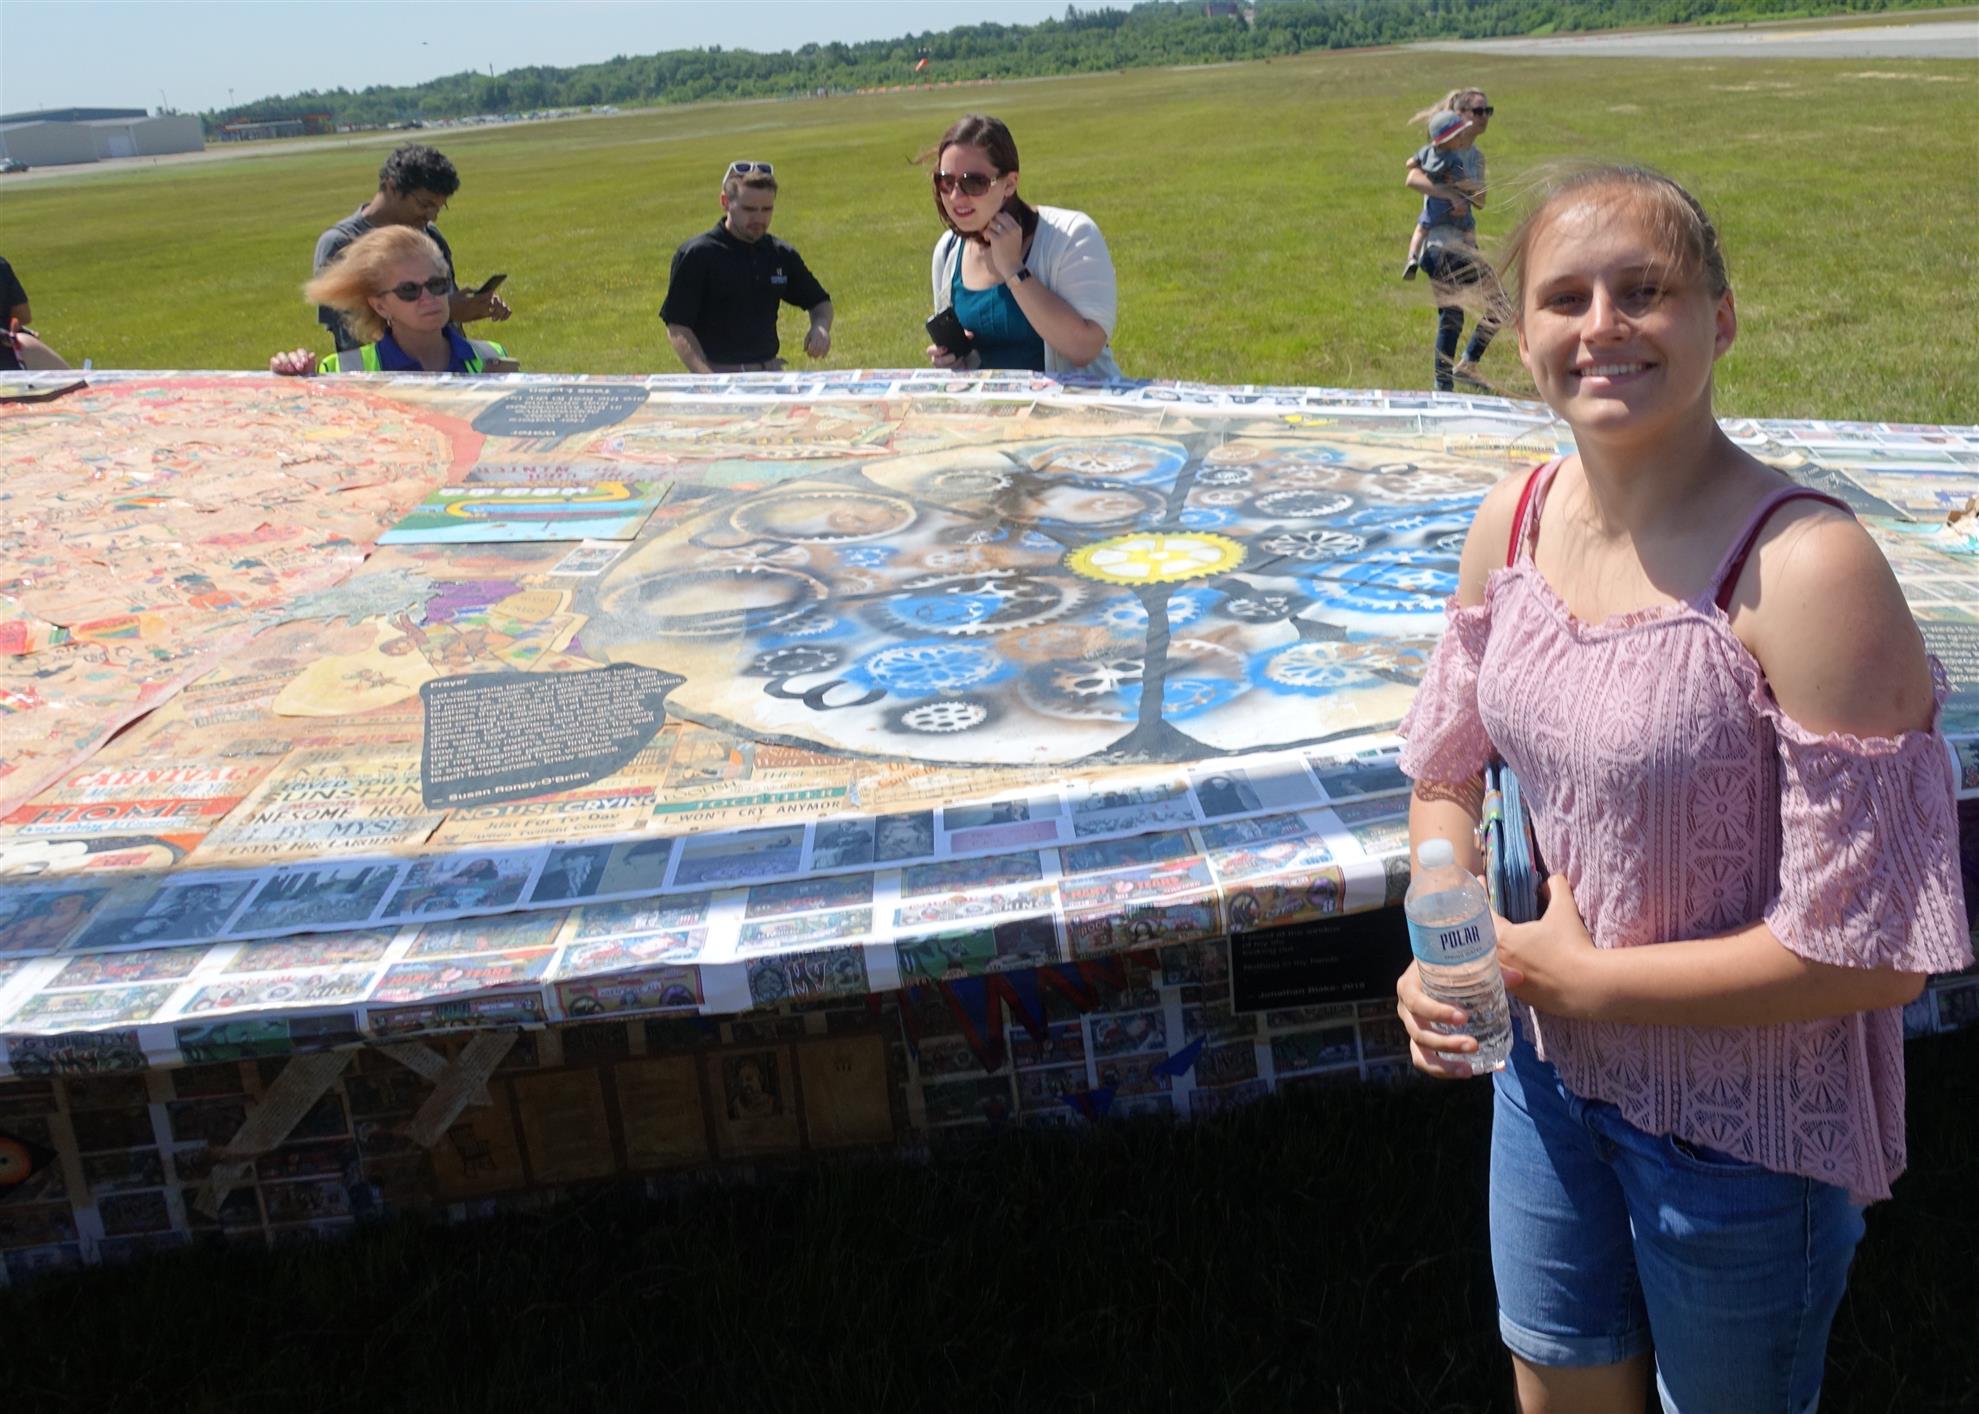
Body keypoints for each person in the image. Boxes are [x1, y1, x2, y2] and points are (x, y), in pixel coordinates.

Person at [1393, 164, 1969, 1412]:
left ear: (1720, 318)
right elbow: (1443, 766)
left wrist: (1588, 980)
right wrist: (1444, 918)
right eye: (1564, 297)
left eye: (1642, 290)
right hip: (1542, 1077)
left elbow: (1876, 955)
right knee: (1557, 1384)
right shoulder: (1512, 520)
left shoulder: (1804, 570)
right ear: (1520, 333)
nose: (1600, 324)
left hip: (1737, 1133)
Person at [925, 114, 1120, 378]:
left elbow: (1084, 348)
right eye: (946, 182)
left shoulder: (1072, 235)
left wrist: (1013, 270)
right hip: (991, 405)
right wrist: (954, 359)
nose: (956, 196)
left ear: (1009, 184)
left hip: (1073, 403)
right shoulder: (948, 251)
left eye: (974, 182)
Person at [312, 143, 510, 353]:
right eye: (424, 205)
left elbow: (448, 312)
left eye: (439, 207)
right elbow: (351, 337)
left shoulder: (429, 236)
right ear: (392, 187)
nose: (431, 216)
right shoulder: (341, 243)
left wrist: (472, 305)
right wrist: (447, 312)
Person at [659, 160, 833, 374]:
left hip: (769, 373)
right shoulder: (697, 254)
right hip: (718, 373)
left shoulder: (779, 254)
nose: (759, 218)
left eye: (767, 209)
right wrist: (709, 380)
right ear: (725, 202)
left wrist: (820, 327)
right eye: (749, 209)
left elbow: (820, 302)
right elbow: (678, 327)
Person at [269, 226, 515, 376]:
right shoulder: (342, 371)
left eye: (437, 284)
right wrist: (295, 386)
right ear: (380, 306)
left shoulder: (492, 356)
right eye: (409, 290)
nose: (428, 298)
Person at [1405, 87, 1498, 391]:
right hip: (1439, 245)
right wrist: (1448, 193)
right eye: (1478, 111)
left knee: (1500, 306)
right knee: (1452, 315)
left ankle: (1467, 365)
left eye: (1488, 111)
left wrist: (1464, 186)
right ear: (1459, 115)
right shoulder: (1439, 150)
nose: (1485, 117)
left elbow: (1481, 200)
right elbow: (1412, 178)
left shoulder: (1476, 157)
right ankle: (1443, 387)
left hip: (1464, 245)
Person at [1400, 111, 1482, 281]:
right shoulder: (1454, 159)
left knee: (1421, 229)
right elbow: (1461, 182)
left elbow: (1410, 164)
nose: (1461, 138)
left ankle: (1412, 257)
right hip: (1455, 209)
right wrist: (1470, 186)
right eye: (1458, 136)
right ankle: (1472, 254)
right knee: (1469, 227)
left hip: (1434, 208)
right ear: (1448, 140)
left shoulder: (1426, 152)